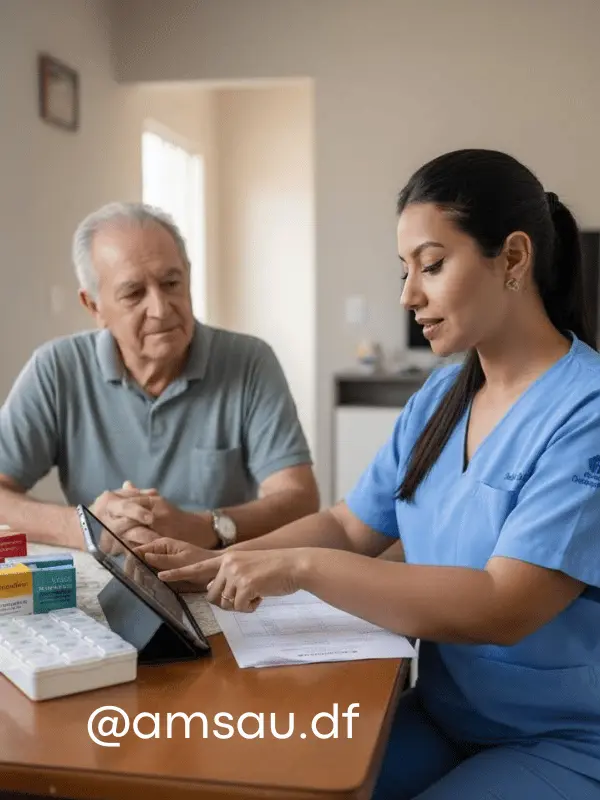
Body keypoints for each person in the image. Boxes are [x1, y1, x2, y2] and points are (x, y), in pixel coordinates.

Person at [137, 150, 600, 799]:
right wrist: (217, 561)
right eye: (405, 269)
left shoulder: (586, 413)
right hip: (445, 713)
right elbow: (351, 524)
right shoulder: (440, 401)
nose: (408, 294)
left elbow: (503, 606)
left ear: (514, 259)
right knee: (284, 783)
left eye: (432, 266)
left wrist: (300, 567)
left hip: (562, 741)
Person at [0, 203, 319, 550]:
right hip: (103, 580)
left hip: (218, 576)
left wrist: (208, 526)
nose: (161, 308)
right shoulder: (56, 368)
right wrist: (84, 527)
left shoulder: (250, 361)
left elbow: (299, 498)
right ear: (94, 306)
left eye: (171, 283)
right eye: (134, 293)